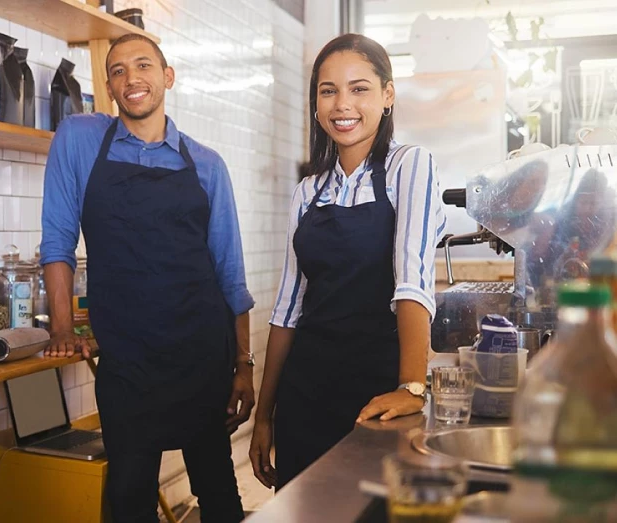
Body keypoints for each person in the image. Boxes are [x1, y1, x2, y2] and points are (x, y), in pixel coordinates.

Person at [39, 34, 255, 523]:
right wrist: (61, 328)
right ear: (110, 88)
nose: (131, 78)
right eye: (117, 71)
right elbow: (57, 241)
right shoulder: (80, 139)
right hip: (128, 365)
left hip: (202, 359)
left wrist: (243, 364)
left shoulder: (206, 165)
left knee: (219, 494)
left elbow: (230, 276)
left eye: (143, 66)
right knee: (130, 499)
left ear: (167, 76)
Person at [248, 33, 447, 490]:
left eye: (359, 89)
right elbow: (287, 311)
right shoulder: (307, 191)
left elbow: (411, 280)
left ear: (388, 95)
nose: (343, 104)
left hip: (378, 392)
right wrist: (264, 416)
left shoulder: (410, 166)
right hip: (305, 393)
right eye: (328, 90)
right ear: (316, 106)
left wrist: (411, 388)